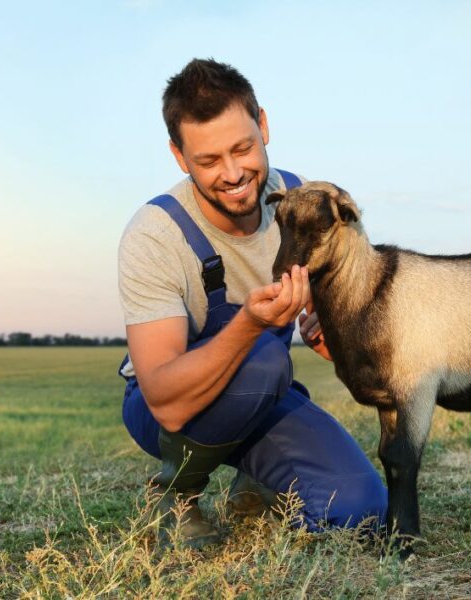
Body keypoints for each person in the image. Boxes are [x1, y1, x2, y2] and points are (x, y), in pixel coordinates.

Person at [118, 58, 387, 548]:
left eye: (243, 148)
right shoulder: (154, 235)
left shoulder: (298, 199)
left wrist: (331, 333)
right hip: (165, 412)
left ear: (263, 125)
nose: (234, 173)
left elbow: (326, 312)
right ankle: (175, 496)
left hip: (264, 394)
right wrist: (247, 324)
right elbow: (163, 398)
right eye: (208, 161)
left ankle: (259, 481)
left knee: (359, 508)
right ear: (180, 157)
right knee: (263, 357)